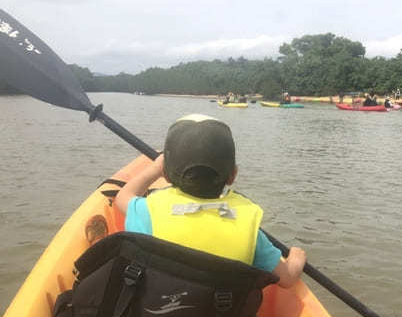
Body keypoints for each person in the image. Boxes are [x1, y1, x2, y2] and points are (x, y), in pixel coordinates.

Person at [115, 114, 306, 288]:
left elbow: (122, 197)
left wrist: (154, 169)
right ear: (233, 176)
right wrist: (296, 258)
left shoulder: (147, 212)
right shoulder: (248, 230)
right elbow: (287, 278)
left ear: (165, 174)